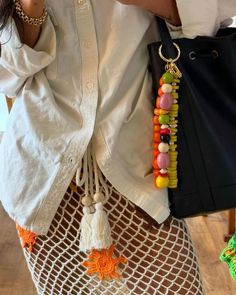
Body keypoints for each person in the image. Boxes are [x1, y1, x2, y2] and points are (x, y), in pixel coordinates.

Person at [0, 0, 236, 294]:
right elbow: (7, 75)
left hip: (140, 166)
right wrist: (31, 6)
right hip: (44, 171)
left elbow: (220, 9)